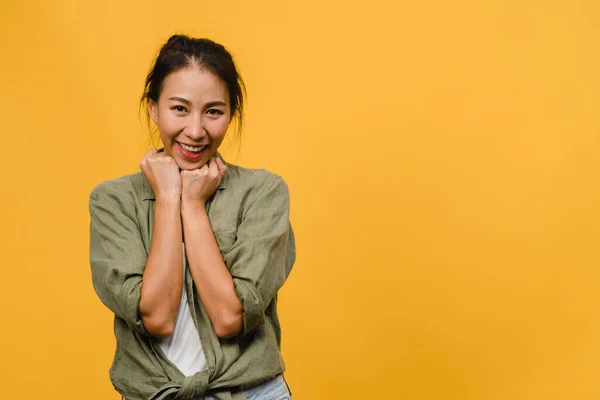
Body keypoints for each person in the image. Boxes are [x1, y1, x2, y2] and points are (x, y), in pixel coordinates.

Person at [89, 34, 295, 400]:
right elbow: (157, 317)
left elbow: (230, 318)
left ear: (231, 114)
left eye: (213, 111)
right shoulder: (114, 201)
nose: (196, 131)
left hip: (252, 393)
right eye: (180, 109)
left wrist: (193, 206)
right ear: (153, 108)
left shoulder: (263, 192)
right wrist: (169, 197)